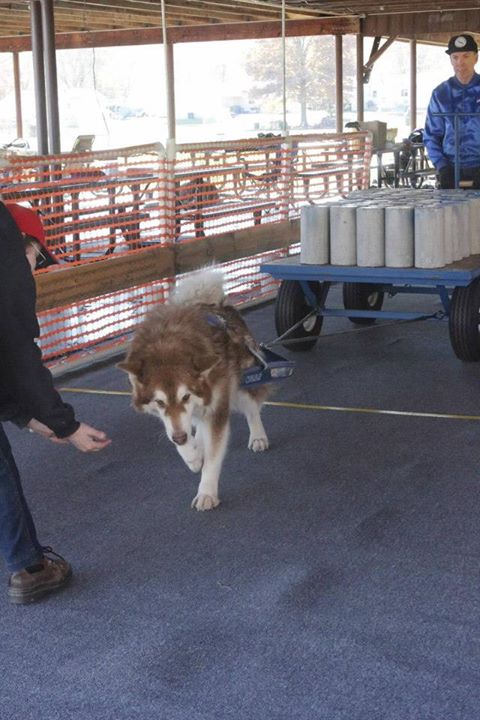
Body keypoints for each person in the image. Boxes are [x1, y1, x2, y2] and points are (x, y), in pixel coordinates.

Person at [0, 201, 111, 604]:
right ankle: (30, 569)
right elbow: (17, 352)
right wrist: (66, 425)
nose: (34, 269)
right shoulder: (7, 260)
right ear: (22, 244)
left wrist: (27, 417)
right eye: (37, 257)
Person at [424, 34, 480, 189]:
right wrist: (442, 167)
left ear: (476, 58)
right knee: (451, 214)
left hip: (478, 169)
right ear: (450, 60)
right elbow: (431, 135)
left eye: (466, 56)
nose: (460, 62)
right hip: (450, 172)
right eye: (455, 57)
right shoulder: (440, 94)